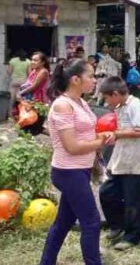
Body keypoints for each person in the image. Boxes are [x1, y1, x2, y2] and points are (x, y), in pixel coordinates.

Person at [39, 58, 115, 265]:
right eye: (90, 76)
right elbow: (71, 146)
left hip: (80, 170)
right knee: (91, 222)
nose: (94, 80)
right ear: (75, 79)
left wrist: (104, 137)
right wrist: (99, 141)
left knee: (63, 222)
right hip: (68, 172)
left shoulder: (80, 102)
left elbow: (87, 136)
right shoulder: (62, 105)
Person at [98, 76, 140, 251]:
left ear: (114, 94)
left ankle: (132, 236)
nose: (106, 102)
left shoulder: (136, 106)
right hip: (120, 160)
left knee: (133, 201)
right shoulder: (121, 107)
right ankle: (117, 224)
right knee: (107, 192)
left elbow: (139, 131)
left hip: (135, 162)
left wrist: (116, 134)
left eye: (106, 98)